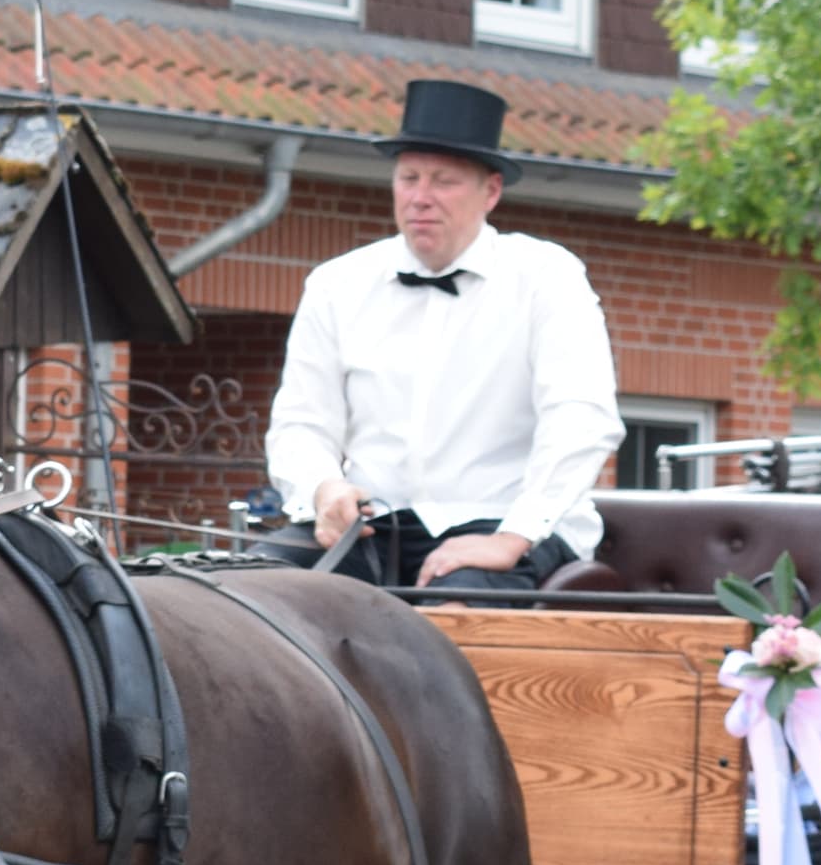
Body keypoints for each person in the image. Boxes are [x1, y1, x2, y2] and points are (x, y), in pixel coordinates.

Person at [259, 79, 623, 593]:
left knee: (455, 615)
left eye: (443, 182)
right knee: (250, 589)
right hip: (370, 527)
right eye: (408, 178)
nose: (420, 198)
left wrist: (513, 535)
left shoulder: (548, 277)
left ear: (490, 191)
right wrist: (324, 489)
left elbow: (581, 423)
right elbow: (300, 424)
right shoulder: (336, 284)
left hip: (505, 523)